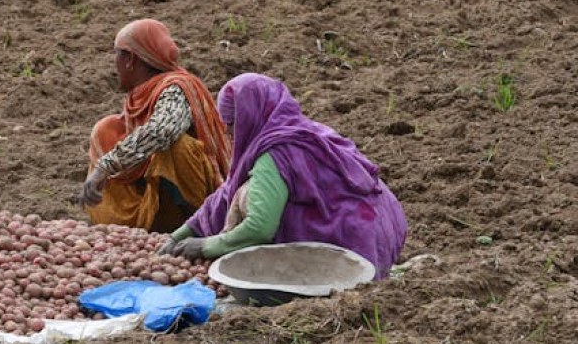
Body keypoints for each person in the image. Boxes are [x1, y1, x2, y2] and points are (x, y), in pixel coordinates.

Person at [159, 73, 407, 278]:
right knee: (249, 191)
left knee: (253, 197)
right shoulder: (299, 129)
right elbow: (224, 194)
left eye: (233, 124)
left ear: (250, 117)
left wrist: (205, 246)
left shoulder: (276, 152)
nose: (229, 133)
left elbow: (260, 227)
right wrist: (182, 233)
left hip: (355, 247)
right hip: (380, 231)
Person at [79, 19, 232, 233]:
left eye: (117, 53)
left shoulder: (176, 87)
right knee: (106, 130)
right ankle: (136, 226)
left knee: (175, 147)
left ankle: (200, 226)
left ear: (130, 59)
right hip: (155, 200)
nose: (114, 63)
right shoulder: (139, 98)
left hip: (199, 196)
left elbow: (163, 130)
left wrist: (106, 166)